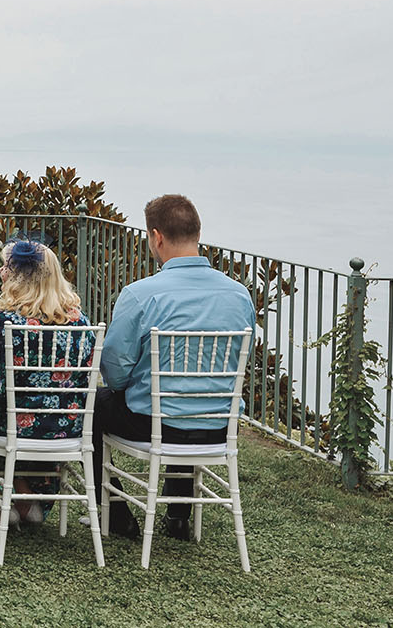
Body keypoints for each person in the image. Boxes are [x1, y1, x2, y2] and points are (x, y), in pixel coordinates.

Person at [94, 194, 255, 540]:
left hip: (152, 424)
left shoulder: (140, 295)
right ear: (197, 234)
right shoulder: (239, 296)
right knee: (183, 399)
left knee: (90, 406)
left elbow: (116, 371)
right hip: (218, 427)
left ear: (157, 237)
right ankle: (178, 517)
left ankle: (115, 515)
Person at [0, 240, 98, 524]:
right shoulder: (81, 323)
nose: (1, 271)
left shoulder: (5, 323)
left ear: (19, 278)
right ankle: (27, 499)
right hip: (65, 427)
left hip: (13, 425)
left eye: (6, 267)